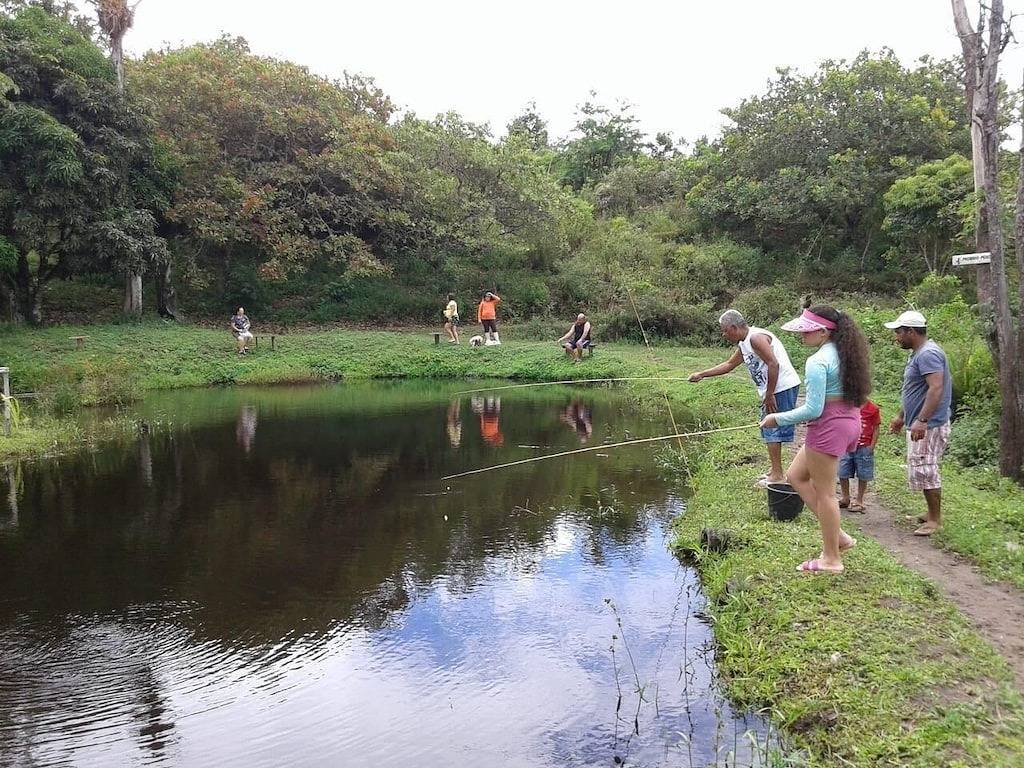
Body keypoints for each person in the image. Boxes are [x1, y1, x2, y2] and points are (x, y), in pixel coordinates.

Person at [760, 305, 872, 574]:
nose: (802, 335)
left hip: (828, 428)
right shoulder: (844, 353)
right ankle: (840, 537)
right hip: (848, 422)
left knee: (825, 494)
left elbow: (813, 409)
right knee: (796, 475)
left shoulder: (818, 361)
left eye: (806, 331)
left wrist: (778, 418)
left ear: (822, 332)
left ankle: (831, 559)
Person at [688, 309, 801, 486]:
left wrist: (770, 394)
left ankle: (778, 475)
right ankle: (775, 470)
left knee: (772, 428)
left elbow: (774, 363)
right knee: (768, 427)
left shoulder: (756, 338)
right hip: (772, 389)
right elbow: (729, 364)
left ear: (734, 327)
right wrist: (702, 374)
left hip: (781, 387)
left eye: (725, 330)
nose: (724, 334)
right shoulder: (744, 343)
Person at [884, 310, 952, 536]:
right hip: (919, 421)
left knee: (927, 467)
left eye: (898, 332)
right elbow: (916, 390)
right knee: (923, 467)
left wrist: (922, 420)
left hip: (929, 425)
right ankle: (929, 513)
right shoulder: (919, 353)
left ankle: (935, 519)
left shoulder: (927, 354)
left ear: (911, 331)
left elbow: (936, 388)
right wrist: (902, 415)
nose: (896, 337)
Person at [837, 399, 881, 513]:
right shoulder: (848, 405)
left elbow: (876, 428)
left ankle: (859, 500)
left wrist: (871, 446)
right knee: (843, 471)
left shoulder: (873, 408)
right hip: (847, 445)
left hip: (864, 447)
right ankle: (845, 497)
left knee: (863, 473)